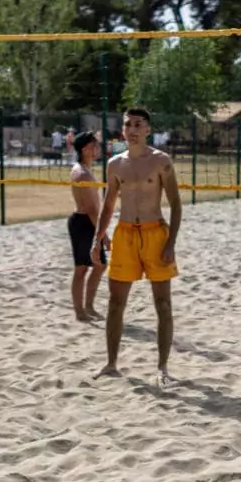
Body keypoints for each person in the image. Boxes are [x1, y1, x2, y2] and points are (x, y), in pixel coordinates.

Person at [93, 107, 182, 383]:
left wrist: (170, 243)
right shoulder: (115, 164)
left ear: (148, 130)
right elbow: (108, 205)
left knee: (163, 304)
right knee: (115, 303)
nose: (132, 129)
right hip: (125, 235)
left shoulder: (161, 161)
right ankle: (110, 364)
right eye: (128, 125)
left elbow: (177, 205)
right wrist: (98, 238)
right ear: (122, 130)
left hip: (155, 233)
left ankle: (162, 368)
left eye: (138, 124)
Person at [67, 131, 107, 321]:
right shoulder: (82, 173)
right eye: (94, 146)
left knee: (99, 265)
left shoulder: (85, 168)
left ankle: (89, 306)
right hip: (84, 222)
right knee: (82, 268)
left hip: (89, 221)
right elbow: (91, 208)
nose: (97, 149)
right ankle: (80, 311)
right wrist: (103, 234)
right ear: (84, 149)